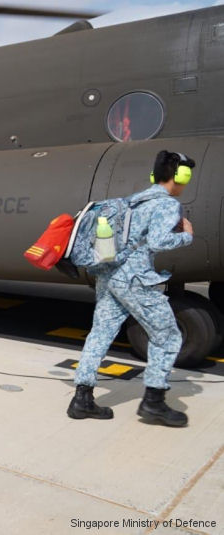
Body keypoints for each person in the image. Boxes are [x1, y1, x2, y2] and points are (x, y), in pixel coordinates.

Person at [68, 150, 196, 427]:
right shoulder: (166, 205)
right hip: (136, 280)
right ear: (179, 176)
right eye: (186, 175)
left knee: (100, 334)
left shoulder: (130, 201)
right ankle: (154, 403)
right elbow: (160, 242)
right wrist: (186, 236)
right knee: (168, 336)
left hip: (109, 276)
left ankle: (82, 399)